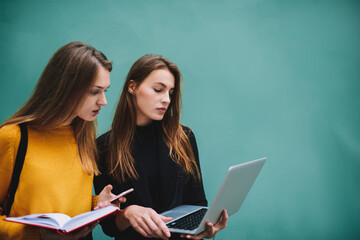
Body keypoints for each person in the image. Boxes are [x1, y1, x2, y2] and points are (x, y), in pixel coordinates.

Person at [94, 54, 228, 240]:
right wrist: (127, 214)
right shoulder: (103, 147)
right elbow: (108, 227)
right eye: (158, 90)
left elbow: (198, 203)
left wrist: (206, 228)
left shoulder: (184, 138)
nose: (166, 99)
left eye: (170, 93)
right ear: (132, 87)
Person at [0, 42, 121, 240]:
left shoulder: (84, 136)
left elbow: (64, 201)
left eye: (105, 91)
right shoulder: (13, 137)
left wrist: (97, 203)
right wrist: (36, 235)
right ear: (66, 87)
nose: (103, 101)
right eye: (94, 91)